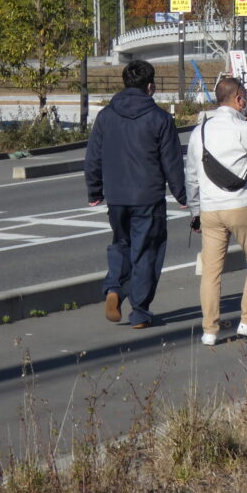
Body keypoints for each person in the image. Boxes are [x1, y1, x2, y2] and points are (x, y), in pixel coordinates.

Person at [84, 59, 186, 330]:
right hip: (148, 196)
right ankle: (140, 311)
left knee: (121, 243)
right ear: (150, 86)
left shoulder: (106, 116)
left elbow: (93, 157)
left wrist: (95, 191)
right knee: (147, 251)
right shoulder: (160, 119)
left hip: (116, 196)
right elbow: (172, 162)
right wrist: (182, 194)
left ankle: (115, 287)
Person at [185, 77, 247, 345]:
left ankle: (209, 330)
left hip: (209, 209)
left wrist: (195, 209)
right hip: (239, 205)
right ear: (238, 99)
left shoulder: (199, 131)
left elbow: (191, 174)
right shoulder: (244, 128)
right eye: (244, 97)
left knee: (211, 270)